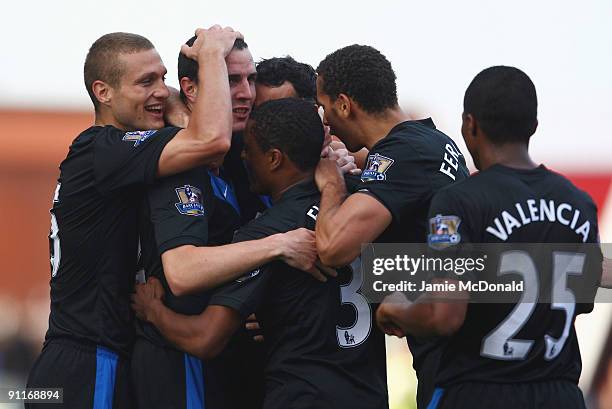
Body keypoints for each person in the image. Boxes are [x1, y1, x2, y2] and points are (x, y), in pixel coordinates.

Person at [24, 27, 251, 409]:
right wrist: (210, 54)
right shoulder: (102, 148)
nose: (161, 90)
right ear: (103, 92)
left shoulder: (120, 154)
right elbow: (212, 138)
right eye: (146, 81)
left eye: (163, 78)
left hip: (88, 358)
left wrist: (174, 106)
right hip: (88, 362)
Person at [133, 98, 389, 409]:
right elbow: (424, 282)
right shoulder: (365, 204)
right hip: (370, 397)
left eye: (249, 149)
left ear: (274, 159)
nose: (242, 155)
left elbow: (206, 338)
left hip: (300, 396)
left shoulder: (268, 231)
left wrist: (153, 312)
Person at [376, 66, 603, 409]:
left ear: (470, 125)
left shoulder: (456, 203)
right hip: (560, 395)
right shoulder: (579, 202)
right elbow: (581, 298)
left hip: (479, 391)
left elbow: (445, 315)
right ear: (534, 127)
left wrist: (395, 309)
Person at [312, 44, 470, 408]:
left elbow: (333, 248)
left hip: (449, 365)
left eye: (324, 107)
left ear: (344, 104)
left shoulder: (402, 155)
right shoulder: (432, 140)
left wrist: (333, 182)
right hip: (454, 351)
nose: (324, 121)